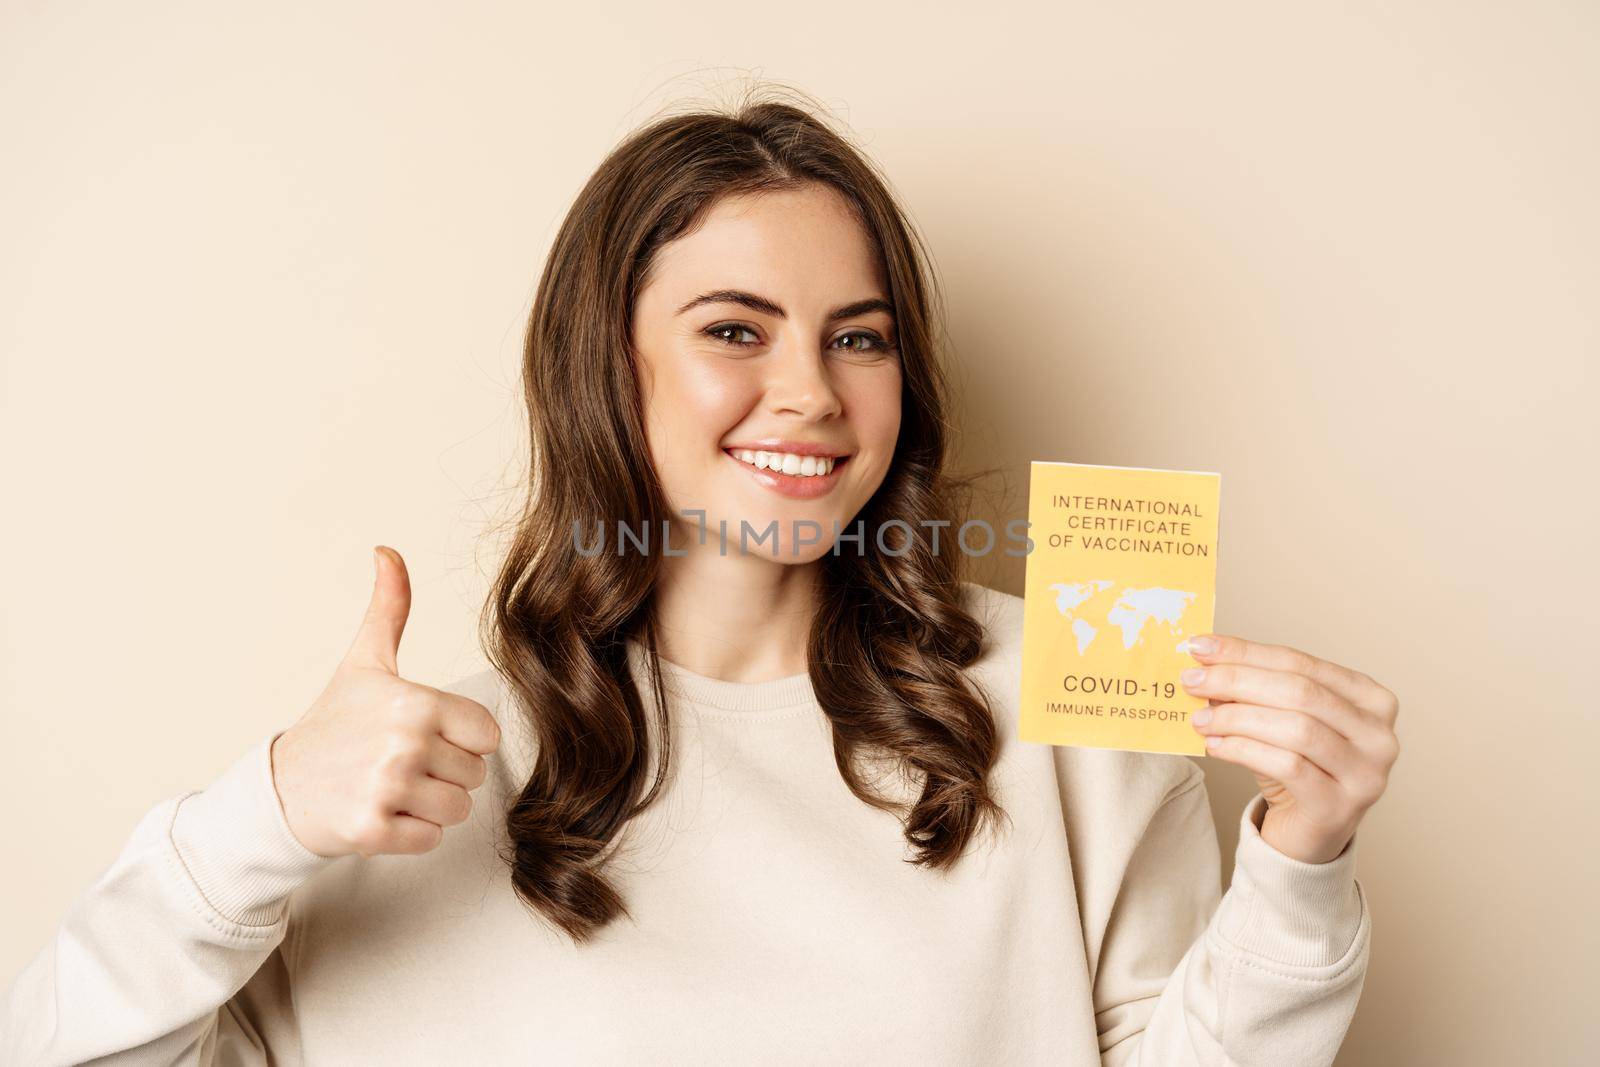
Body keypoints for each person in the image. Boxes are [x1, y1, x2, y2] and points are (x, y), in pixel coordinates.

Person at [0, 87, 1400, 1065]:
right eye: (736, 329)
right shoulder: (409, 777)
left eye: (860, 338)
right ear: (607, 364)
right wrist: (258, 819)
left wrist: (1299, 864)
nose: (811, 394)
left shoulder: (1065, 700)